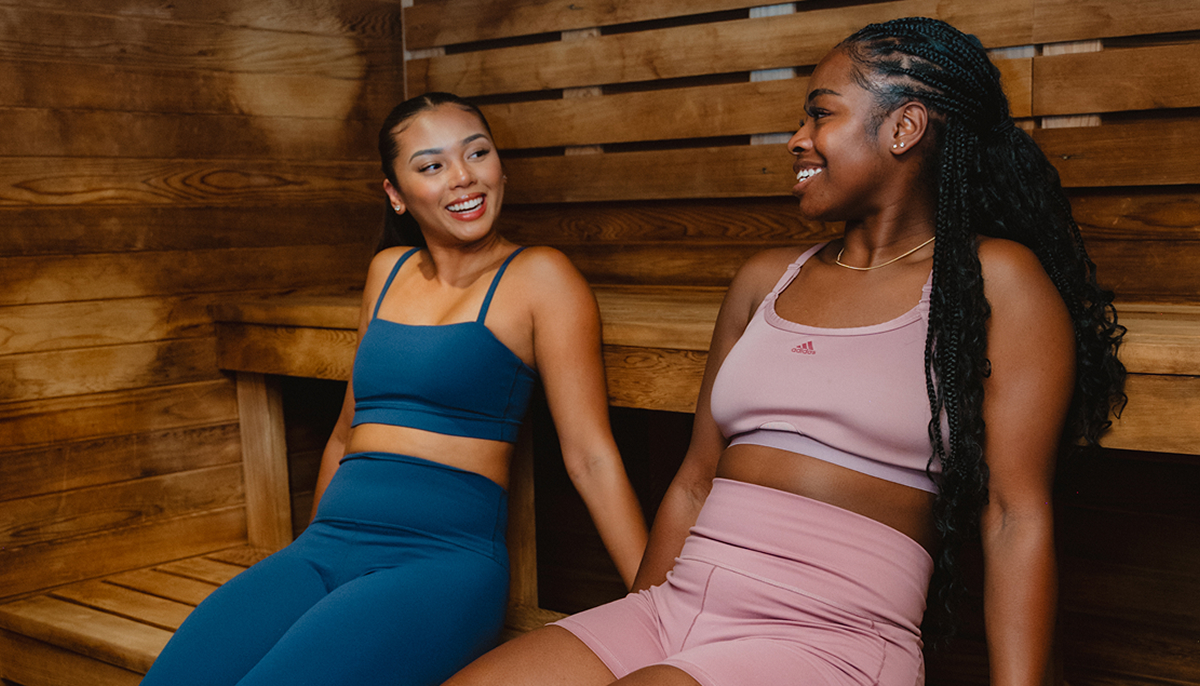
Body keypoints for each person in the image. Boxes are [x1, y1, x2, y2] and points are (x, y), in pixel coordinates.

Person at [442, 17, 1126, 686]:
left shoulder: (993, 280)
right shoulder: (767, 279)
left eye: (820, 114)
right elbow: (695, 481)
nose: (798, 139)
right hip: (675, 610)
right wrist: (634, 628)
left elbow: (1013, 515)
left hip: (827, 639)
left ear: (904, 127)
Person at [140, 92, 648, 686]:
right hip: (327, 547)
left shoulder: (541, 278)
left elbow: (590, 456)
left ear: (499, 165)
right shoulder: (387, 272)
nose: (463, 177)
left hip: (439, 563)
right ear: (396, 193)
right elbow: (345, 434)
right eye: (432, 165)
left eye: (476, 153)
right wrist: (312, 555)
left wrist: (658, 605)